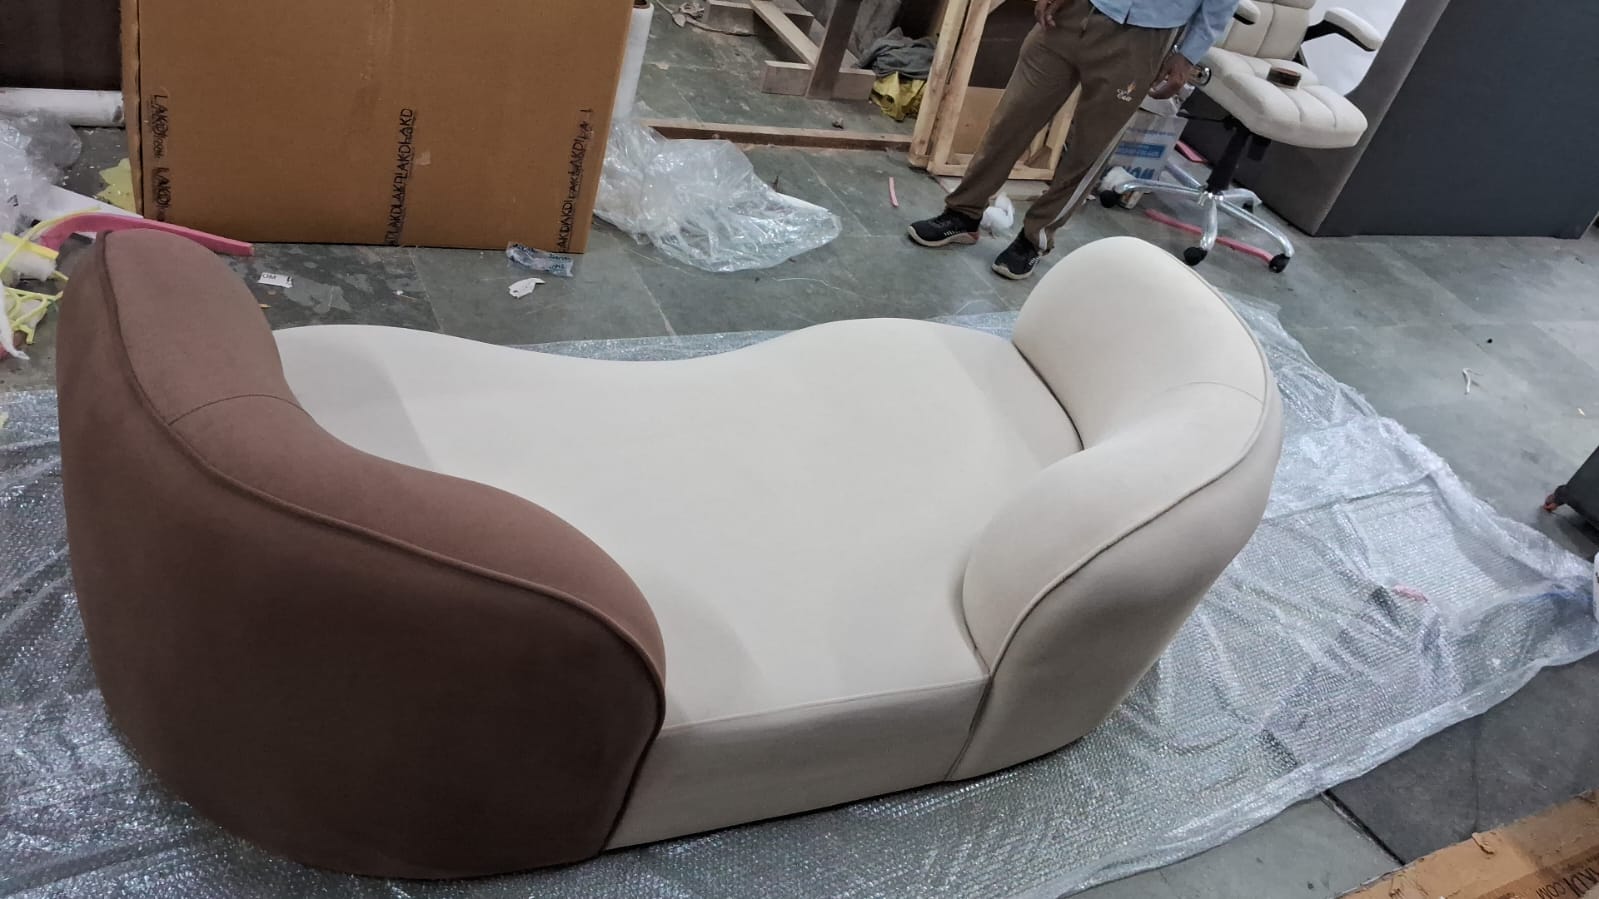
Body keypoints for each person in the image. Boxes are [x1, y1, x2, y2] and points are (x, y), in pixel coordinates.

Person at [909, 0, 1240, 279]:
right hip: (1073, 10)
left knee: (1088, 149)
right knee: (1010, 120)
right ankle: (963, 213)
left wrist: (1188, 54)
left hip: (1145, 36)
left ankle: (1034, 238)